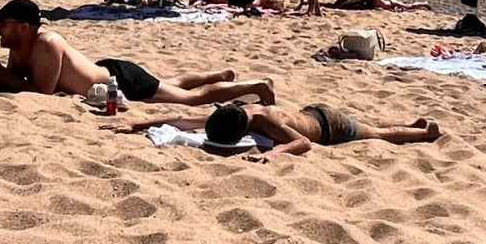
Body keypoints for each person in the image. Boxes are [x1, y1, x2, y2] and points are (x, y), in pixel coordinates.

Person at [0, 0, 275, 105]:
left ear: (22, 27)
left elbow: (40, 92)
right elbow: (16, 82)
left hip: (121, 81)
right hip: (106, 71)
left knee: (192, 99)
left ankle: (253, 86)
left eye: (2, 24)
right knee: (171, 83)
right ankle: (218, 75)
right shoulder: (20, 47)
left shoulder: (47, 43)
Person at [109, 100, 440, 158]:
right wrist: (138, 124)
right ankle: (412, 125)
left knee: (377, 135)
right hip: (313, 112)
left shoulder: (264, 121)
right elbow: (183, 119)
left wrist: (276, 154)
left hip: (329, 127)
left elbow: (302, 144)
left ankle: (425, 134)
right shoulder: (236, 111)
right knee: (373, 128)